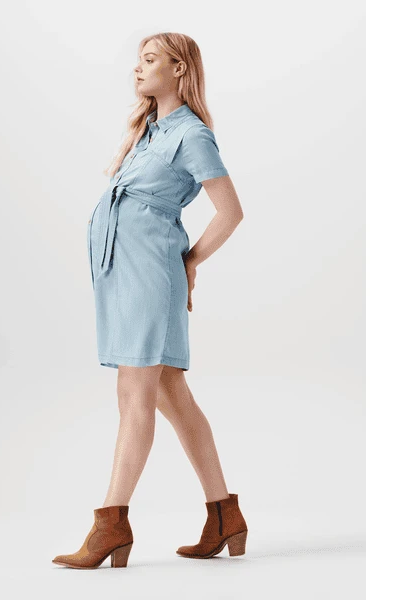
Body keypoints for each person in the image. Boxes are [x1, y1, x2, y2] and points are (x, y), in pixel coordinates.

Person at [52, 32, 247, 569]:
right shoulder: (150, 129)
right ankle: (224, 515)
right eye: (138, 60)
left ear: (179, 69)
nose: (138, 68)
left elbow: (230, 211)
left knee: (134, 392)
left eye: (151, 60)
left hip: (150, 273)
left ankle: (111, 523)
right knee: (171, 394)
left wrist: (190, 262)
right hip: (126, 271)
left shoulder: (192, 135)